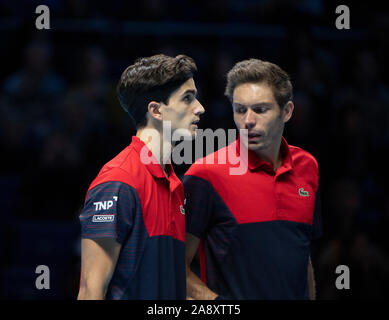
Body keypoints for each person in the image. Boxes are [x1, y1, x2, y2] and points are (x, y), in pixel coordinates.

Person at [183, 58, 322, 300]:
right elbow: (174, 267)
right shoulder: (205, 175)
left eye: (260, 109)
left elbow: (303, 257)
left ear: (287, 111)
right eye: (240, 109)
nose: (248, 120)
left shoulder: (308, 167)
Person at [77, 54, 205, 300]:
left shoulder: (175, 184)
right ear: (156, 110)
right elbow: (90, 291)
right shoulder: (118, 182)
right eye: (187, 98)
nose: (200, 107)